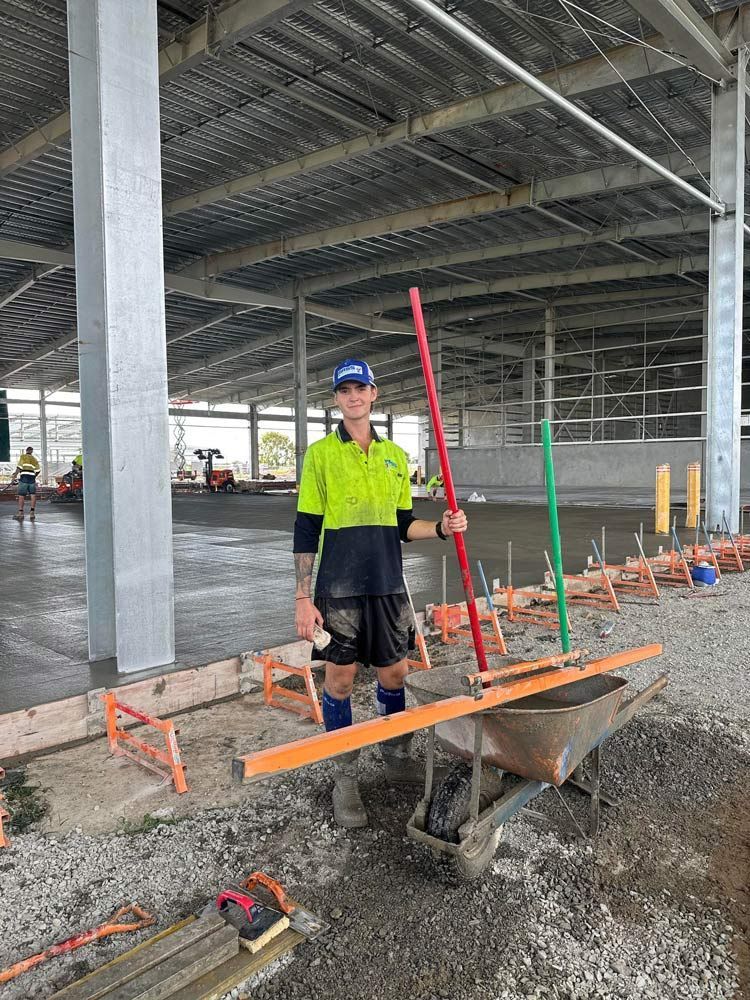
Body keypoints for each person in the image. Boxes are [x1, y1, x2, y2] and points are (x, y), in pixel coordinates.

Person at [293, 358, 468, 828]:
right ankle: (345, 776)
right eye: (344, 390)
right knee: (340, 679)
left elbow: (403, 525)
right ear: (336, 398)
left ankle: (395, 756)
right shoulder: (321, 455)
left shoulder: (395, 457)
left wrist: (443, 528)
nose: (353, 397)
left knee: (395, 674)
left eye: (360, 388)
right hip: (339, 589)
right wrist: (302, 597)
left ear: (374, 394)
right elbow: (306, 529)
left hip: (388, 585)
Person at [13, 446, 41, 521]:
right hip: (32, 479)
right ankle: (32, 513)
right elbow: (38, 470)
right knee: (33, 495)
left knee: (21, 496)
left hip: (24, 478)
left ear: (26, 451)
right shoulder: (34, 459)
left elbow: (19, 467)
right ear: (32, 451)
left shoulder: (23, 456)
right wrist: (34, 476)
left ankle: (21, 513)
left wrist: (14, 476)